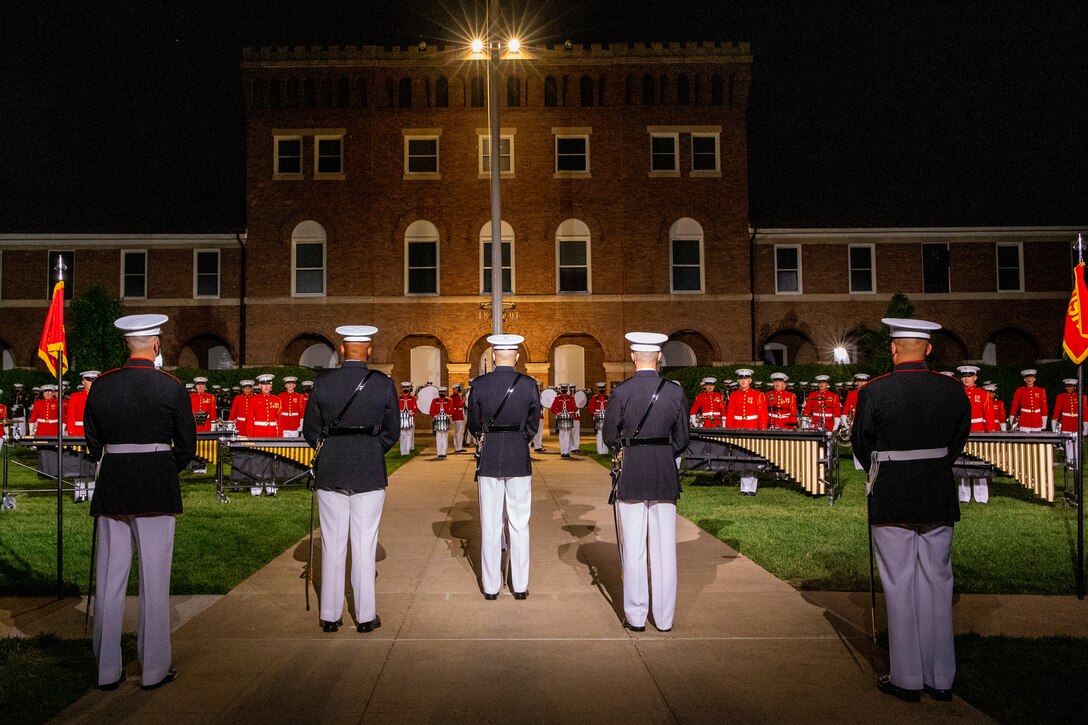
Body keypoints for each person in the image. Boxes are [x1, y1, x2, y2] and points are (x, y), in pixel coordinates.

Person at [851, 317, 971, 703]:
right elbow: (958, 439)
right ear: (929, 349)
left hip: (892, 495)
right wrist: (931, 465)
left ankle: (907, 676)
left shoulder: (875, 391)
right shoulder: (952, 390)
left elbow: (861, 443)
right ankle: (941, 677)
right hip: (936, 490)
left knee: (899, 583)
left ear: (893, 348)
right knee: (939, 581)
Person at [84, 313, 196, 691]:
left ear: (126, 345)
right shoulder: (170, 386)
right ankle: (153, 669)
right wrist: (163, 466)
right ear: (155, 344)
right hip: (155, 485)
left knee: (109, 580)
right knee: (154, 579)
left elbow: (92, 440)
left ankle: (106, 669)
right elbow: (186, 447)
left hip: (114, 481)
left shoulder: (101, 385)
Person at [303, 325, 399, 633]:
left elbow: (310, 430)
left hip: (331, 465)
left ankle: (330, 615)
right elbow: (391, 433)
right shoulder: (383, 384)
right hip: (369, 467)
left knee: (332, 542)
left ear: (342, 351)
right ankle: (365, 615)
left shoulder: (324, 382)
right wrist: (369, 447)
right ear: (369, 351)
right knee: (364, 541)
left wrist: (333, 445)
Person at [603, 332, 690, 632]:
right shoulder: (675, 392)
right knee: (665, 548)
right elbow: (682, 439)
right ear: (659, 357)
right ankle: (664, 619)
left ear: (632, 357)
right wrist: (664, 453)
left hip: (634, 469)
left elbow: (609, 436)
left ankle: (636, 616)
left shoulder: (622, 391)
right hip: (664, 468)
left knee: (635, 548)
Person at [466, 334, 540, 600]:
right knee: (520, 523)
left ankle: (491, 586)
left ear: (494, 357)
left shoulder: (480, 384)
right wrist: (520, 439)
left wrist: (487, 436)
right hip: (518, 454)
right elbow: (534, 422)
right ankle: (519, 585)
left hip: (490, 453)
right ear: (517, 357)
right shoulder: (529, 384)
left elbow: (473, 423)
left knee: (490, 522)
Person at [726, 368, 768, 495]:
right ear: (738, 381)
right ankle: (744, 487)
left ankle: (752, 487)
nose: (743, 381)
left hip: (753, 427)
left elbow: (762, 414)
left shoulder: (758, 395)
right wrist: (730, 429)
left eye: (746, 379)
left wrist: (762, 429)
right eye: (741, 379)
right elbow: (730, 414)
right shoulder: (734, 395)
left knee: (752, 458)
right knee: (741, 458)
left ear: (750, 380)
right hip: (738, 428)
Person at [956, 365, 995, 503]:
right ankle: (964, 496)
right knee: (962, 463)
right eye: (964, 377)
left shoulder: (983, 394)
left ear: (975, 377)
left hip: (979, 431)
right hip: (962, 432)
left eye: (969, 376)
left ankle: (981, 496)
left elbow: (989, 415)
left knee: (980, 463)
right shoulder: (957, 393)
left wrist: (991, 433)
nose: (967, 379)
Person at [66, 370, 100, 501]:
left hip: (96, 434)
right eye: (89, 380)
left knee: (94, 465)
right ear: (83, 382)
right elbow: (71, 417)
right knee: (78, 464)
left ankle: (92, 493)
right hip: (79, 433)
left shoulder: (101, 395)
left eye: (94, 380)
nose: (92, 383)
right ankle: (79, 493)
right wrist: (72, 434)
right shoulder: (76, 396)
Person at [248, 374, 283, 495]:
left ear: (271, 386)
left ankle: (270, 485)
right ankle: (257, 484)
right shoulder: (253, 400)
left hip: (272, 433)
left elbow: (280, 421)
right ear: (259, 386)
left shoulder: (277, 400)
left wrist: (280, 438)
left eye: (268, 384)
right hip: (258, 433)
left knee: (271, 460)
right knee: (258, 460)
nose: (266, 387)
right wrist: (250, 438)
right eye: (264, 384)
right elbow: (249, 420)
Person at [1053, 378, 1087, 463]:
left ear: (1075, 387)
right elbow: (1057, 412)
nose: (1069, 388)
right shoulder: (1061, 397)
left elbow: (1085, 413)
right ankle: (1069, 462)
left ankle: (1077, 463)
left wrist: (1086, 427)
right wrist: (1054, 426)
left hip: (1077, 423)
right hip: (1066, 423)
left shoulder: (1082, 397)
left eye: (1071, 387)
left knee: (1077, 444)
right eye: (1067, 387)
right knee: (1068, 444)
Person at [551, 384, 578, 457]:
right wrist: (557, 413)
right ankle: (562, 451)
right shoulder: (557, 398)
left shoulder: (571, 398)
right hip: (561, 419)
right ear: (561, 389)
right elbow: (552, 408)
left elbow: (574, 408)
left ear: (567, 389)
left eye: (565, 388)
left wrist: (571, 412)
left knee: (567, 435)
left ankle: (567, 451)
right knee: (562, 435)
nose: (564, 390)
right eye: (563, 388)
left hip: (568, 418)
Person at [429, 386, 453, 458]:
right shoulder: (435, 400)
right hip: (438, 421)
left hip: (445, 420)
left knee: (445, 436)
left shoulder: (449, 400)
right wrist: (435, 415)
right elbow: (431, 411)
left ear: (445, 393)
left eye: (443, 392)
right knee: (438, 436)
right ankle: (439, 452)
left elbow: (451, 411)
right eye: (440, 392)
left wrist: (449, 415)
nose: (441, 393)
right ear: (438, 393)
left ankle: (444, 452)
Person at [587, 382, 610, 454]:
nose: (601, 390)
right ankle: (600, 450)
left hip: (606, 417)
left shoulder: (607, 397)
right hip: (598, 417)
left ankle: (605, 450)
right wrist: (594, 413)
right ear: (598, 389)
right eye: (600, 388)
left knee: (606, 433)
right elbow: (590, 407)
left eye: (602, 388)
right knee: (599, 434)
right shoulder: (595, 397)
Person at [397, 382, 416, 455]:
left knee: (409, 434)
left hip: (409, 418)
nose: (405, 389)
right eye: (404, 388)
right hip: (402, 418)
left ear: (409, 389)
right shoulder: (399, 398)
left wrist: (412, 414)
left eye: (407, 388)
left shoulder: (412, 398)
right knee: (402, 435)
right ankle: (402, 451)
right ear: (402, 389)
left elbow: (415, 408)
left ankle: (407, 451)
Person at [450, 383, 467, 452]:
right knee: (459, 432)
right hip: (458, 415)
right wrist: (463, 401)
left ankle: (457, 446)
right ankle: (459, 447)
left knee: (457, 432)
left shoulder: (454, 396)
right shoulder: (456, 396)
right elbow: (458, 406)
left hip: (456, 415)